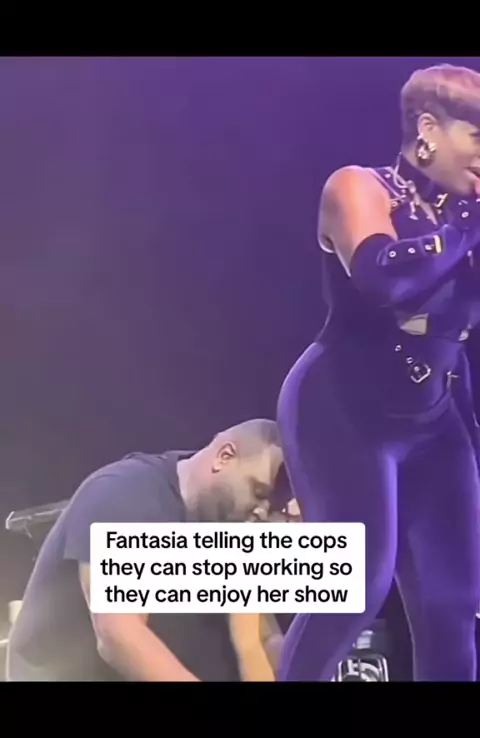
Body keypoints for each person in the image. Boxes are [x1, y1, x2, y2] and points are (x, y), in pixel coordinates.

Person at [277, 63, 480, 682]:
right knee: (351, 591)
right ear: (429, 129)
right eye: (478, 136)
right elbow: (383, 277)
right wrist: (463, 228)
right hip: (344, 406)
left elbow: (450, 334)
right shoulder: (358, 186)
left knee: (453, 604)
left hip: (435, 413)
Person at [7, 418, 283, 681]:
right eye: (258, 492)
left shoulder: (227, 527)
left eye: (271, 504)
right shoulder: (126, 493)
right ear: (224, 457)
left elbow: (262, 638)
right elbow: (119, 634)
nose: (261, 511)